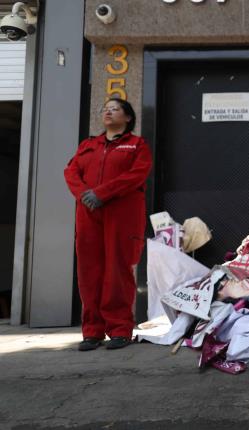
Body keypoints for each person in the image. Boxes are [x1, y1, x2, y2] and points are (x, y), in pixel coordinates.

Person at [64, 98, 153, 350]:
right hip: (89, 214)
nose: (108, 112)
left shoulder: (137, 145)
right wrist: (84, 194)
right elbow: (71, 172)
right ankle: (92, 331)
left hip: (121, 215)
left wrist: (102, 193)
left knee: (117, 271)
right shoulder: (88, 145)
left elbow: (136, 175)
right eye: (105, 109)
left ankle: (120, 330)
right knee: (89, 272)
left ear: (127, 117)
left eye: (114, 109)